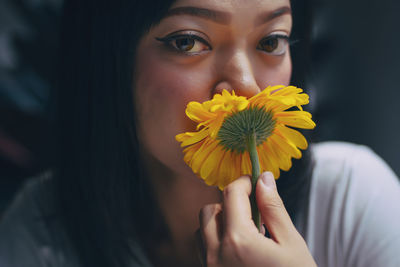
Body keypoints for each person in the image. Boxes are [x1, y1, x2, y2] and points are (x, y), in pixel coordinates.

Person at [0, 0, 399, 266]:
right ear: (106, 58)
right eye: (188, 42)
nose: (245, 87)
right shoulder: (42, 231)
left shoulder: (353, 200)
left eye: (271, 40)